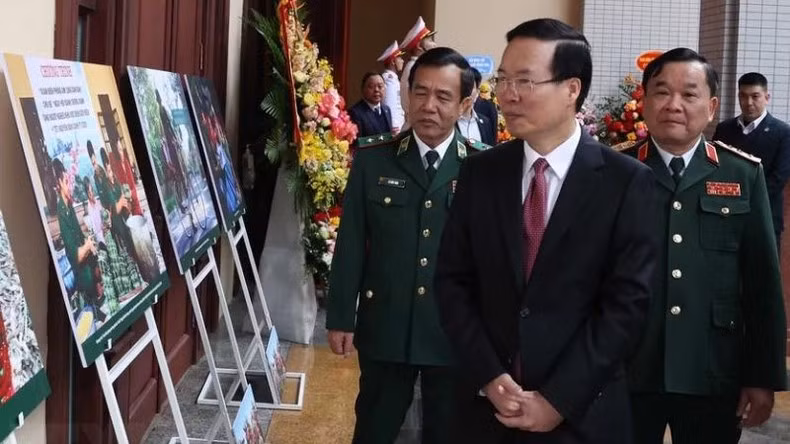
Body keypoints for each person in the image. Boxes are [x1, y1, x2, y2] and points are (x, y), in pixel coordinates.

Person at [434, 18, 656, 443]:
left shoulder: (624, 181)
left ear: (572, 89)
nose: (507, 95)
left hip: (582, 415)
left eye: (525, 81)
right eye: (502, 79)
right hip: (486, 412)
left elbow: (626, 306)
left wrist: (557, 400)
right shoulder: (482, 171)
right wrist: (490, 375)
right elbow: (452, 282)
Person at [619, 48, 788, 444]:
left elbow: (762, 283)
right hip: (628, 370)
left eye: (689, 94)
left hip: (713, 370)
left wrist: (763, 378)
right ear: (644, 102)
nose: (674, 105)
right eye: (661, 92)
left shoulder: (742, 174)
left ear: (711, 107)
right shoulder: (615, 172)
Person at [327, 47, 480, 444]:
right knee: (375, 425)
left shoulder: (483, 168)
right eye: (420, 93)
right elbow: (352, 242)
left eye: (443, 97)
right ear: (407, 95)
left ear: (464, 104)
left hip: (453, 332)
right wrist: (342, 316)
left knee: (449, 431)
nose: (429, 106)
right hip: (386, 325)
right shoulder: (374, 159)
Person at [713, 72, 790, 249]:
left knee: (764, 269)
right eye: (743, 96)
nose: (748, 103)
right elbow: (716, 166)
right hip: (726, 212)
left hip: (765, 212)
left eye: (755, 96)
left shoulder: (783, 132)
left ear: (766, 97)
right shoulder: (724, 129)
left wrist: (746, 201)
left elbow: (778, 178)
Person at [54, 158, 105, 322]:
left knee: (98, 266)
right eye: (67, 181)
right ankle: (93, 310)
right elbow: (74, 254)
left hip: (82, 257)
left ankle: (96, 306)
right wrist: (87, 246)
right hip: (76, 264)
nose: (70, 185)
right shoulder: (62, 212)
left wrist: (89, 242)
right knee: (89, 278)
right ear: (60, 183)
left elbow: (79, 236)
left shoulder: (68, 205)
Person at [399, 17, 437, 126]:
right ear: (419, 46)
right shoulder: (414, 68)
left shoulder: (419, 66)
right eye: (429, 40)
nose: (434, 44)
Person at [458, 67, 497, 147]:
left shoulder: (485, 122)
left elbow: (491, 151)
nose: (466, 91)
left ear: (477, 92)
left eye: (470, 86)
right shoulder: (448, 122)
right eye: (462, 86)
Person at [348, 72, 393, 139]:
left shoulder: (387, 109)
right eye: (371, 87)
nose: (376, 90)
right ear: (363, 89)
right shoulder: (355, 113)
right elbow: (357, 143)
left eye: (380, 86)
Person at [378, 40, 405, 134]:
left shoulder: (393, 78)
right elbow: (390, 103)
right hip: (396, 128)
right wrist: (394, 125)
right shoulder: (390, 80)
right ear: (393, 61)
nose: (402, 61)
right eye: (400, 58)